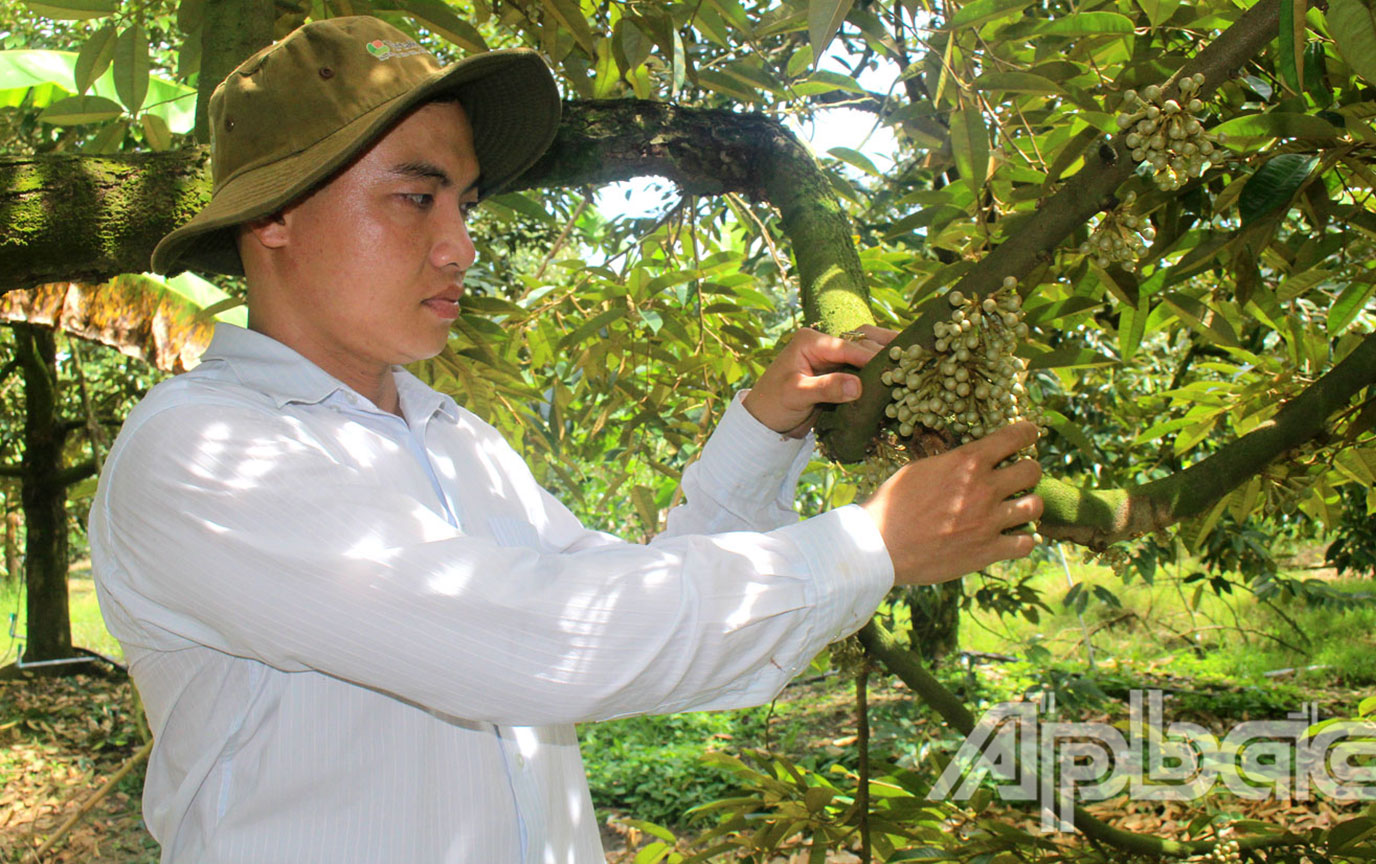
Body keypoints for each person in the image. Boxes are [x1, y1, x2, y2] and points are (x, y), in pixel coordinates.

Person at [89, 15, 1044, 863]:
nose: (461, 244)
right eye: (416, 197)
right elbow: (537, 642)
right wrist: (868, 544)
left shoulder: (454, 441)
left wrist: (761, 433)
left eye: (465, 203)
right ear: (275, 218)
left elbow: (633, 621)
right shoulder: (201, 452)